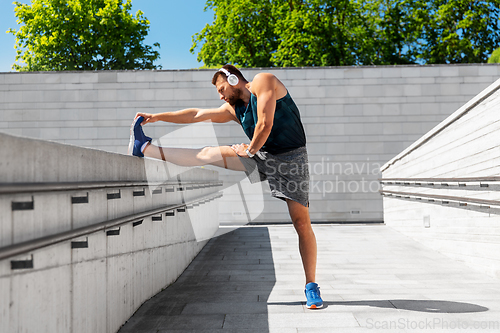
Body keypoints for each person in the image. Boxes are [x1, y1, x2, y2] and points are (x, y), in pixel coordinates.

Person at [128, 64, 323, 309]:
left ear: (233, 79)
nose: (220, 96)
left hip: (291, 159)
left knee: (301, 223)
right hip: (259, 154)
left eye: (221, 89)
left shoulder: (264, 81)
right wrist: (156, 117)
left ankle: (311, 285)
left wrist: (249, 149)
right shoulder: (234, 109)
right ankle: (145, 148)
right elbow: (196, 114)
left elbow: (265, 124)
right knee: (207, 154)